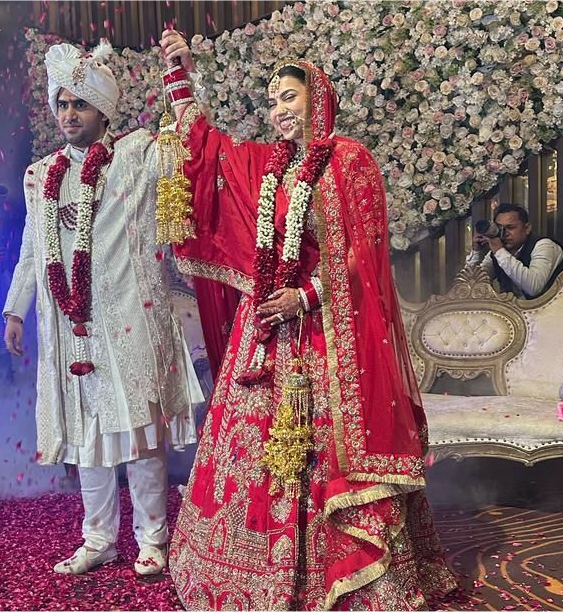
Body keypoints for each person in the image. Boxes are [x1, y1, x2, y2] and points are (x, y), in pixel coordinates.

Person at [158, 31, 456, 610]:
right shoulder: (269, 167)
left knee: (320, 456)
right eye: (273, 101)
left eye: (288, 97)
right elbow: (207, 148)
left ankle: (344, 578)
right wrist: (179, 75)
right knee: (253, 452)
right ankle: (248, 573)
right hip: (264, 330)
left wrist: (307, 296)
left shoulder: (348, 160)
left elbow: (364, 251)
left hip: (322, 334)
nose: (279, 110)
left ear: (317, 98)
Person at [3, 39, 202, 576]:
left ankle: (153, 539)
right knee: (87, 436)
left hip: (129, 319)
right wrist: (15, 310)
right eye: (63, 104)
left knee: (140, 436)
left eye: (81, 105)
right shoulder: (40, 175)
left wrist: (180, 76)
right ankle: (98, 540)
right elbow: (31, 250)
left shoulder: (135, 156)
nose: (69, 114)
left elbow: (189, 144)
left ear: (104, 111)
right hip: (71, 328)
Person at [466, 203, 563, 299]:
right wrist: (476, 251)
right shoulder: (498, 252)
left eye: (510, 228)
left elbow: (533, 287)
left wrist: (499, 251)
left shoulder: (545, 245)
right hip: (511, 310)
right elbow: (470, 286)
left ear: (527, 228)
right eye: (499, 228)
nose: (504, 233)